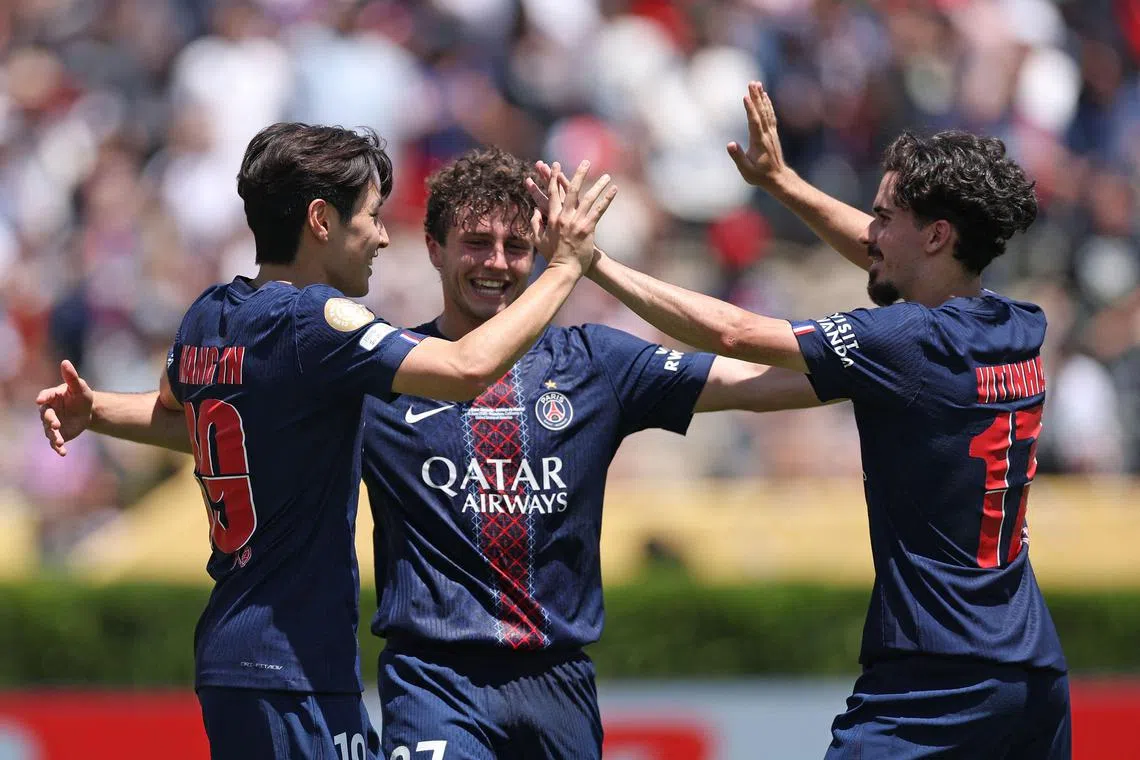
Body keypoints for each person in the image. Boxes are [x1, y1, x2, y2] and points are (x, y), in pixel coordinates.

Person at [40, 145, 815, 760]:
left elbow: (763, 382)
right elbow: (245, 421)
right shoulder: (376, 370)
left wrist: (863, 364)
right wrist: (101, 411)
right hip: (434, 682)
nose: (497, 261)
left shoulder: (596, 364)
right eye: (476, 242)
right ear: (435, 249)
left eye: (517, 246)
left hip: (560, 680)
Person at [556, 81, 1070, 758]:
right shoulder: (1017, 324)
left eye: (883, 217)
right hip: (1033, 674)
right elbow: (894, 260)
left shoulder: (909, 341)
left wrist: (594, 264)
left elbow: (738, 334)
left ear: (938, 234)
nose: (870, 233)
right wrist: (783, 182)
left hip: (937, 676)